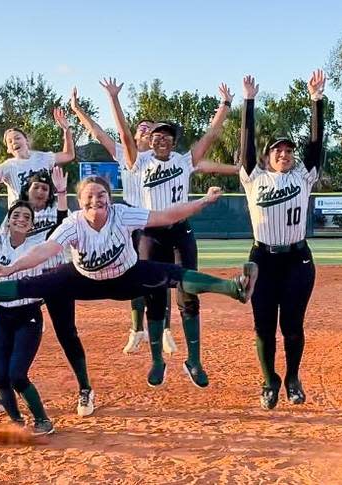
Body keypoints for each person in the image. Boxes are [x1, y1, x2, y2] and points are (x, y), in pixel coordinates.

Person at [0, 176, 255, 387]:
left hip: (127, 276)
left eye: (101, 194)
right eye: (89, 196)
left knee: (171, 274)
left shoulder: (122, 214)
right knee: (37, 284)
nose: (95, 200)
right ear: (81, 201)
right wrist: (14, 267)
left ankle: (234, 288)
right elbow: (46, 250)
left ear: (108, 198)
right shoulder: (73, 223)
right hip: (84, 279)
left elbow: (166, 215)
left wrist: (203, 201)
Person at [104, 77, 241, 388]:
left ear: (174, 141)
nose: (161, 139)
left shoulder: (185, 161)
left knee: (188, 293)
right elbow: (125, 133)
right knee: (154, 295)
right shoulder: (137, 163)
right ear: (150, 141)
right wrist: (114, 98)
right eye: (156, 135)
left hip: (180, 232)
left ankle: (194, 361)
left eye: (167, 135)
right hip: (151, 234)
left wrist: (225, 105)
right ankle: (157, 361)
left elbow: (210, 134)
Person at [0, 165, 99, 417]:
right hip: (28, 278)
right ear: (27, 190)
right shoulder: (17, 213)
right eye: (36, 187)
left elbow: (64, 224)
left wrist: (61, 194)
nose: (40, 191)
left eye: (44, 187)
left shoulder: (56, 210)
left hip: (56, 278)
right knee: (14, 307)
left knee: (66, 334)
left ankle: (85, 388)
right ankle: (3, 390)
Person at [238, 71, 326, 409]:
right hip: (261, 260)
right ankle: (268, 380)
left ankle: (291, 377)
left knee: (292, 325)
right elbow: (246, 143)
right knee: (263, 327)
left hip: (297, 260)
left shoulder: (304, 177)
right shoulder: (253, 177)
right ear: (266, 156)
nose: (284, 154)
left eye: (289, 150)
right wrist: (249, 101)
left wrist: (316, 101)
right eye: (278, 150)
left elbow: (316, 146)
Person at [68, 88, 172, 355]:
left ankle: (166, 330)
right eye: (142, 128)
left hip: (155, 221)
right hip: (127, 220)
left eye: (151, 129)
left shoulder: (165, 160)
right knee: (130, 273)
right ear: (135, 135)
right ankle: (137, 330)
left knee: (160, 274)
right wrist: (78, 110)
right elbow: (99, 131)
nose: (146, 131)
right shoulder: (122, 153)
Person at [0, 160, 63, 435]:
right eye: (16, 216)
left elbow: (61, 224)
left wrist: (60, 194)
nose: (21, 219)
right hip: (3, 315)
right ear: (10, 219)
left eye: (27, 217)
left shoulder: (38, 245)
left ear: (32, 224)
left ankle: (43, 420)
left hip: (29, 316)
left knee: (17, 375)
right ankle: (16, 421)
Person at [0, 107, 76, 207]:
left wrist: (66, 130)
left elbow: (68, 155)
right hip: (23, 222)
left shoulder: (43, 157)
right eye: (10, 141)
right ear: (8, 149)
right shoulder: (7, 166)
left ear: (26, 141)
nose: (14, 142)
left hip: (48, 218)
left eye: (17, 138)